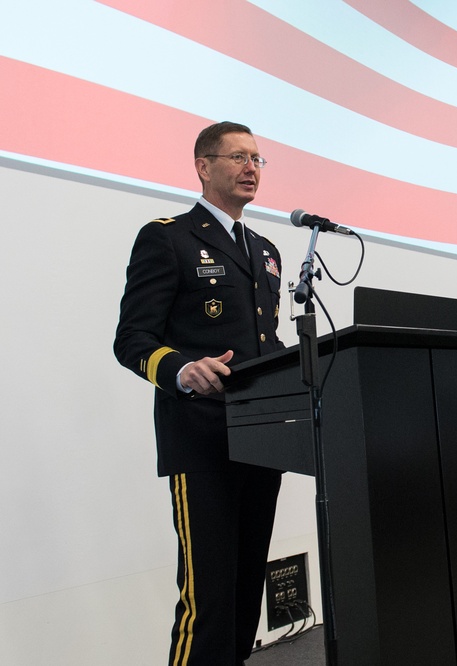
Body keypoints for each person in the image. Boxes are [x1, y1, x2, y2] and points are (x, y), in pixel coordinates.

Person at [114, 121, 284, 665]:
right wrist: (182, 370)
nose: (250, 167)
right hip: (203, 437)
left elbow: (264, 342)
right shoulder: (168, 237)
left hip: (262, 439)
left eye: (257, 159)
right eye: (237, 157)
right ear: (203, 166)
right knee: (207, 599)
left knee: (243, 596)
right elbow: (131, 340)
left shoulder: (265, 250)